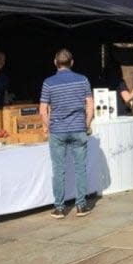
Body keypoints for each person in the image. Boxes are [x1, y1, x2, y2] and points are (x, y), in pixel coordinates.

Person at [40, 49, 94, 219]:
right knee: (80, 168)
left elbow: (42, 110)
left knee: (58, 170)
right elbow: (90, 105)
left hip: (58, 131)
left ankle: (60, 208)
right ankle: (81, 206)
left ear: (55, 62)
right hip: (78, 129)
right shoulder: (83, 80)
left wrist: (49, 126)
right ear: (72, 62)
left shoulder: (48, 83)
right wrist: (86, 124)